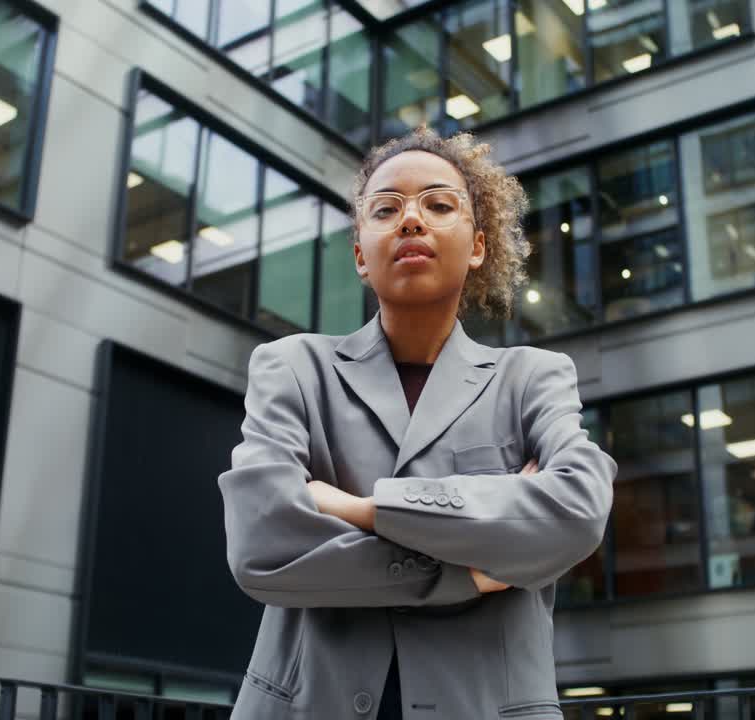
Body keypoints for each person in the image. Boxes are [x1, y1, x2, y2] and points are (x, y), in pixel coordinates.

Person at [217, 126, 617, 719]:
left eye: (438, 204)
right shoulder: (292, 368)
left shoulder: (532, 377)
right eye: (385, 209)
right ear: (360, 253)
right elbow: (262, 548)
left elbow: (578, 510)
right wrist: (471, 573)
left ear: (478, 245)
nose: (410, 221)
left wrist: (360, 508)